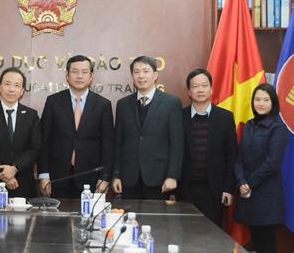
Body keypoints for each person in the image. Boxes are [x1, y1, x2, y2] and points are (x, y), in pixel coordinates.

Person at [38, 55, 113, 198]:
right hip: (57, 177)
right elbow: (44, 141)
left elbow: (108, 145)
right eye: (75, 71)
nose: (79, 76)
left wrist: (105, 178)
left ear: (91, 77)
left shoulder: (103, 104)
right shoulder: (53, 102)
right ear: (67, 75)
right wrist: (44, 174)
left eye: (84, 72)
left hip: (91, 177)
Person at [112, 56, 183, 200]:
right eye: (136, 72)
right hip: (129, 177)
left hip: (159, 177)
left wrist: (172, 176)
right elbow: (118, 142)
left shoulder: (171, 103)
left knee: (156, 215)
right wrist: (116, 175)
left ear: (155, 75)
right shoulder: (123, 104)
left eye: (145, 71)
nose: (141, 76)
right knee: (129, 214)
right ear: (132, 76)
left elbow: (177, 143)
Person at [235, 83, 289, 253]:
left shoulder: (278, 127)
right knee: (255, 240)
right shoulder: (249, 125)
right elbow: (239, 158)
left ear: (273, 102)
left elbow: (272, 163)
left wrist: (249, 184)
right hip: (247, 192)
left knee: (266, 239)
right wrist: (241, 182)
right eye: (257, 99)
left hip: (266, 193)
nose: (261, 103)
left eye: (266, 100)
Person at [180, 69, 237, 227]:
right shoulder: (179, 116)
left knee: (212, 234)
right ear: (189, 92)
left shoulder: (225, 117)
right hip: (185, 190)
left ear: (211, 89)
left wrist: (228, 188)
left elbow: (231, 155)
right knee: (185, 233)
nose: (200, 90)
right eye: (195, 86)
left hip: (215, 190)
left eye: (204, 85)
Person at [0, 67, 42, 198]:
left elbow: (35, 148)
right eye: (7, 84)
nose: (11, 89)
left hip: (23, 184)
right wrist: (6, 174)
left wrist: (15, 168)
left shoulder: (31, 116)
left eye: (16, 85)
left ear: (22, 91)